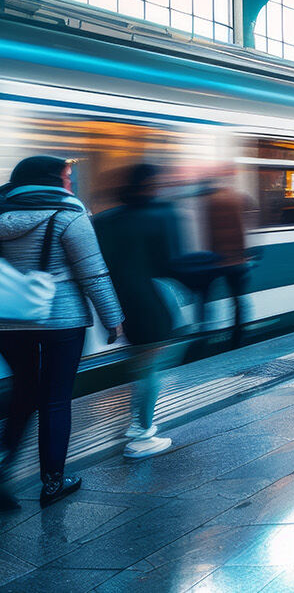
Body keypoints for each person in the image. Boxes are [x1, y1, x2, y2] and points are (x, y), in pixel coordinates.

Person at [0, 156, 124, 508]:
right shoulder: (69, 215)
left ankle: (4, 463)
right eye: (67, 177)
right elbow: (93, 273)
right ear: (50, 180)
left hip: (8, 320)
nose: (70, 184)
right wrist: (112, 318)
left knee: (24, 389)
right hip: (62, 320)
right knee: (55, 398)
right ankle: (54, 482)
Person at [92, 163, 187, 459]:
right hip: (152, 301)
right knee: (153, 366)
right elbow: (170, 261)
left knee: (143, 363)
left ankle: (137, 424)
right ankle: (142, 434)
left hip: (119, 303)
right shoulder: (163, 214)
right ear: (149, 184)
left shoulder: (105, 220)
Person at [198, 178, 253, 348]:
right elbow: (242, 231)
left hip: (217, 260)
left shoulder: (210, 203)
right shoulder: (236, 199)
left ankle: (204, 334)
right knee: (238, 301)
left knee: (206, 297)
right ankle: (238, 336)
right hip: (236, 260)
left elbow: (208, 234)